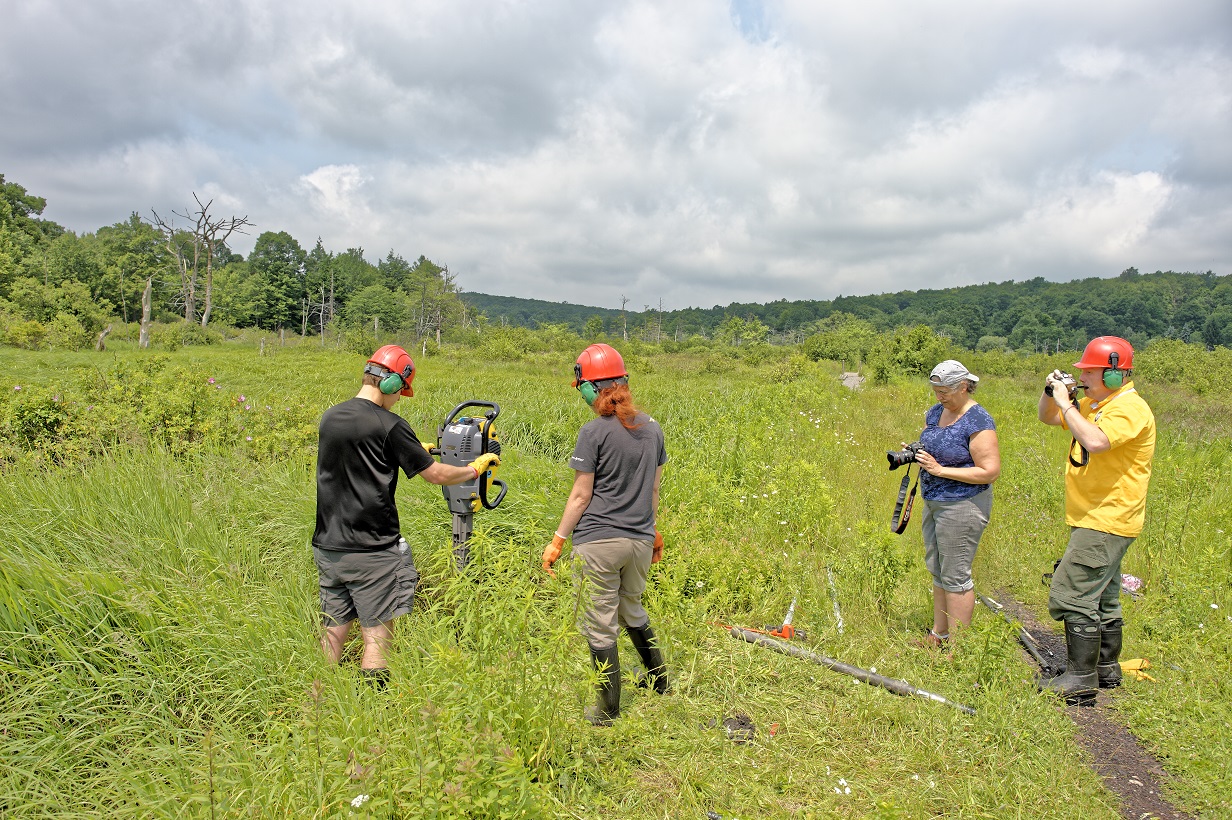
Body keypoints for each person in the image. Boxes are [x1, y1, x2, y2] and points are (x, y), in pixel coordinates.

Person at [312, 344, 500, 686]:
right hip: (372, 550)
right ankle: (375, 715)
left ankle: (317, 706)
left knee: (333, 633)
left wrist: (413, 450)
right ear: (392, 384)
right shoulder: (390, 424)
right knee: (377, 638)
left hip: (328, 548)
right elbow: (437, 475)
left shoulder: (331, 417)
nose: (399, 398)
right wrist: (474, 469)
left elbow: (363, 454)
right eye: (401, 391)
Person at [541, 343, 669, 725]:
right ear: (624, 383)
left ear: (591, 388)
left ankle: (608, 711)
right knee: (631, 609)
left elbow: (581, 496)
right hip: (640, 542)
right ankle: (659, 682)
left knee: (600, 623)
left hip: (599, 542)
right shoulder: (653, 429)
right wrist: (653, 531)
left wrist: (557, 541)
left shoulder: (593, 432)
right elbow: (654, 490)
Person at [1038, 336, 1155, 701]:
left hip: (1108, 518)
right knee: (1103, 595)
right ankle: (1105, 669)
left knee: (1071, 592)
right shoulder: (1094, 403)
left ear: (1116, 374)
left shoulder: (1128, 408)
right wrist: (1052, 393)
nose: (1083, 378)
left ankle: (1080, 679)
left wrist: (1067, 404)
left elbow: (1097, 442)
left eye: (1088, 373)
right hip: (1095, 516)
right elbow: (1047, 416)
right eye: (1081, 373)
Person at [910, 360, 1001, 648]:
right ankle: (940, 635)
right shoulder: (936, 412)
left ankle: (960, 650)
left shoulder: (978, 420)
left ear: (964, 386)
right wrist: (917, 451)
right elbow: (934, 442)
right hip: (934, 500)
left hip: (963, 504)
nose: (939, 396)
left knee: (956, 574)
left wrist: (940, 470)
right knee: (938, 568)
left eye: (945, 390)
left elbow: (990, 471)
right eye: (935, 390)